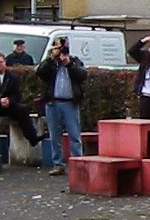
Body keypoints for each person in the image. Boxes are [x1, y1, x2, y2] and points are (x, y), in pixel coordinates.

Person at [36, 37, 87, 176]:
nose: (62, 51)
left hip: (70, 103)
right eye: (59, 48)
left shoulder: (75, 61)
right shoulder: (51, 63)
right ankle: (58, 164)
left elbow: (82, 75)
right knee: (54, 136)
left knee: (74, 135)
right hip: (53, 103)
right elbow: (40, 72)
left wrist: (68, 64)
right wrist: (51, 58)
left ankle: (77, 163)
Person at [0, 52, 41, 147]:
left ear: (5, 62)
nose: (0, 65)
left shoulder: (12, 77)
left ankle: (33, 138)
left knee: (22, 109)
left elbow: (16, 95)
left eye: (1, 62)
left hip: (8, 106)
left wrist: (9, 100)